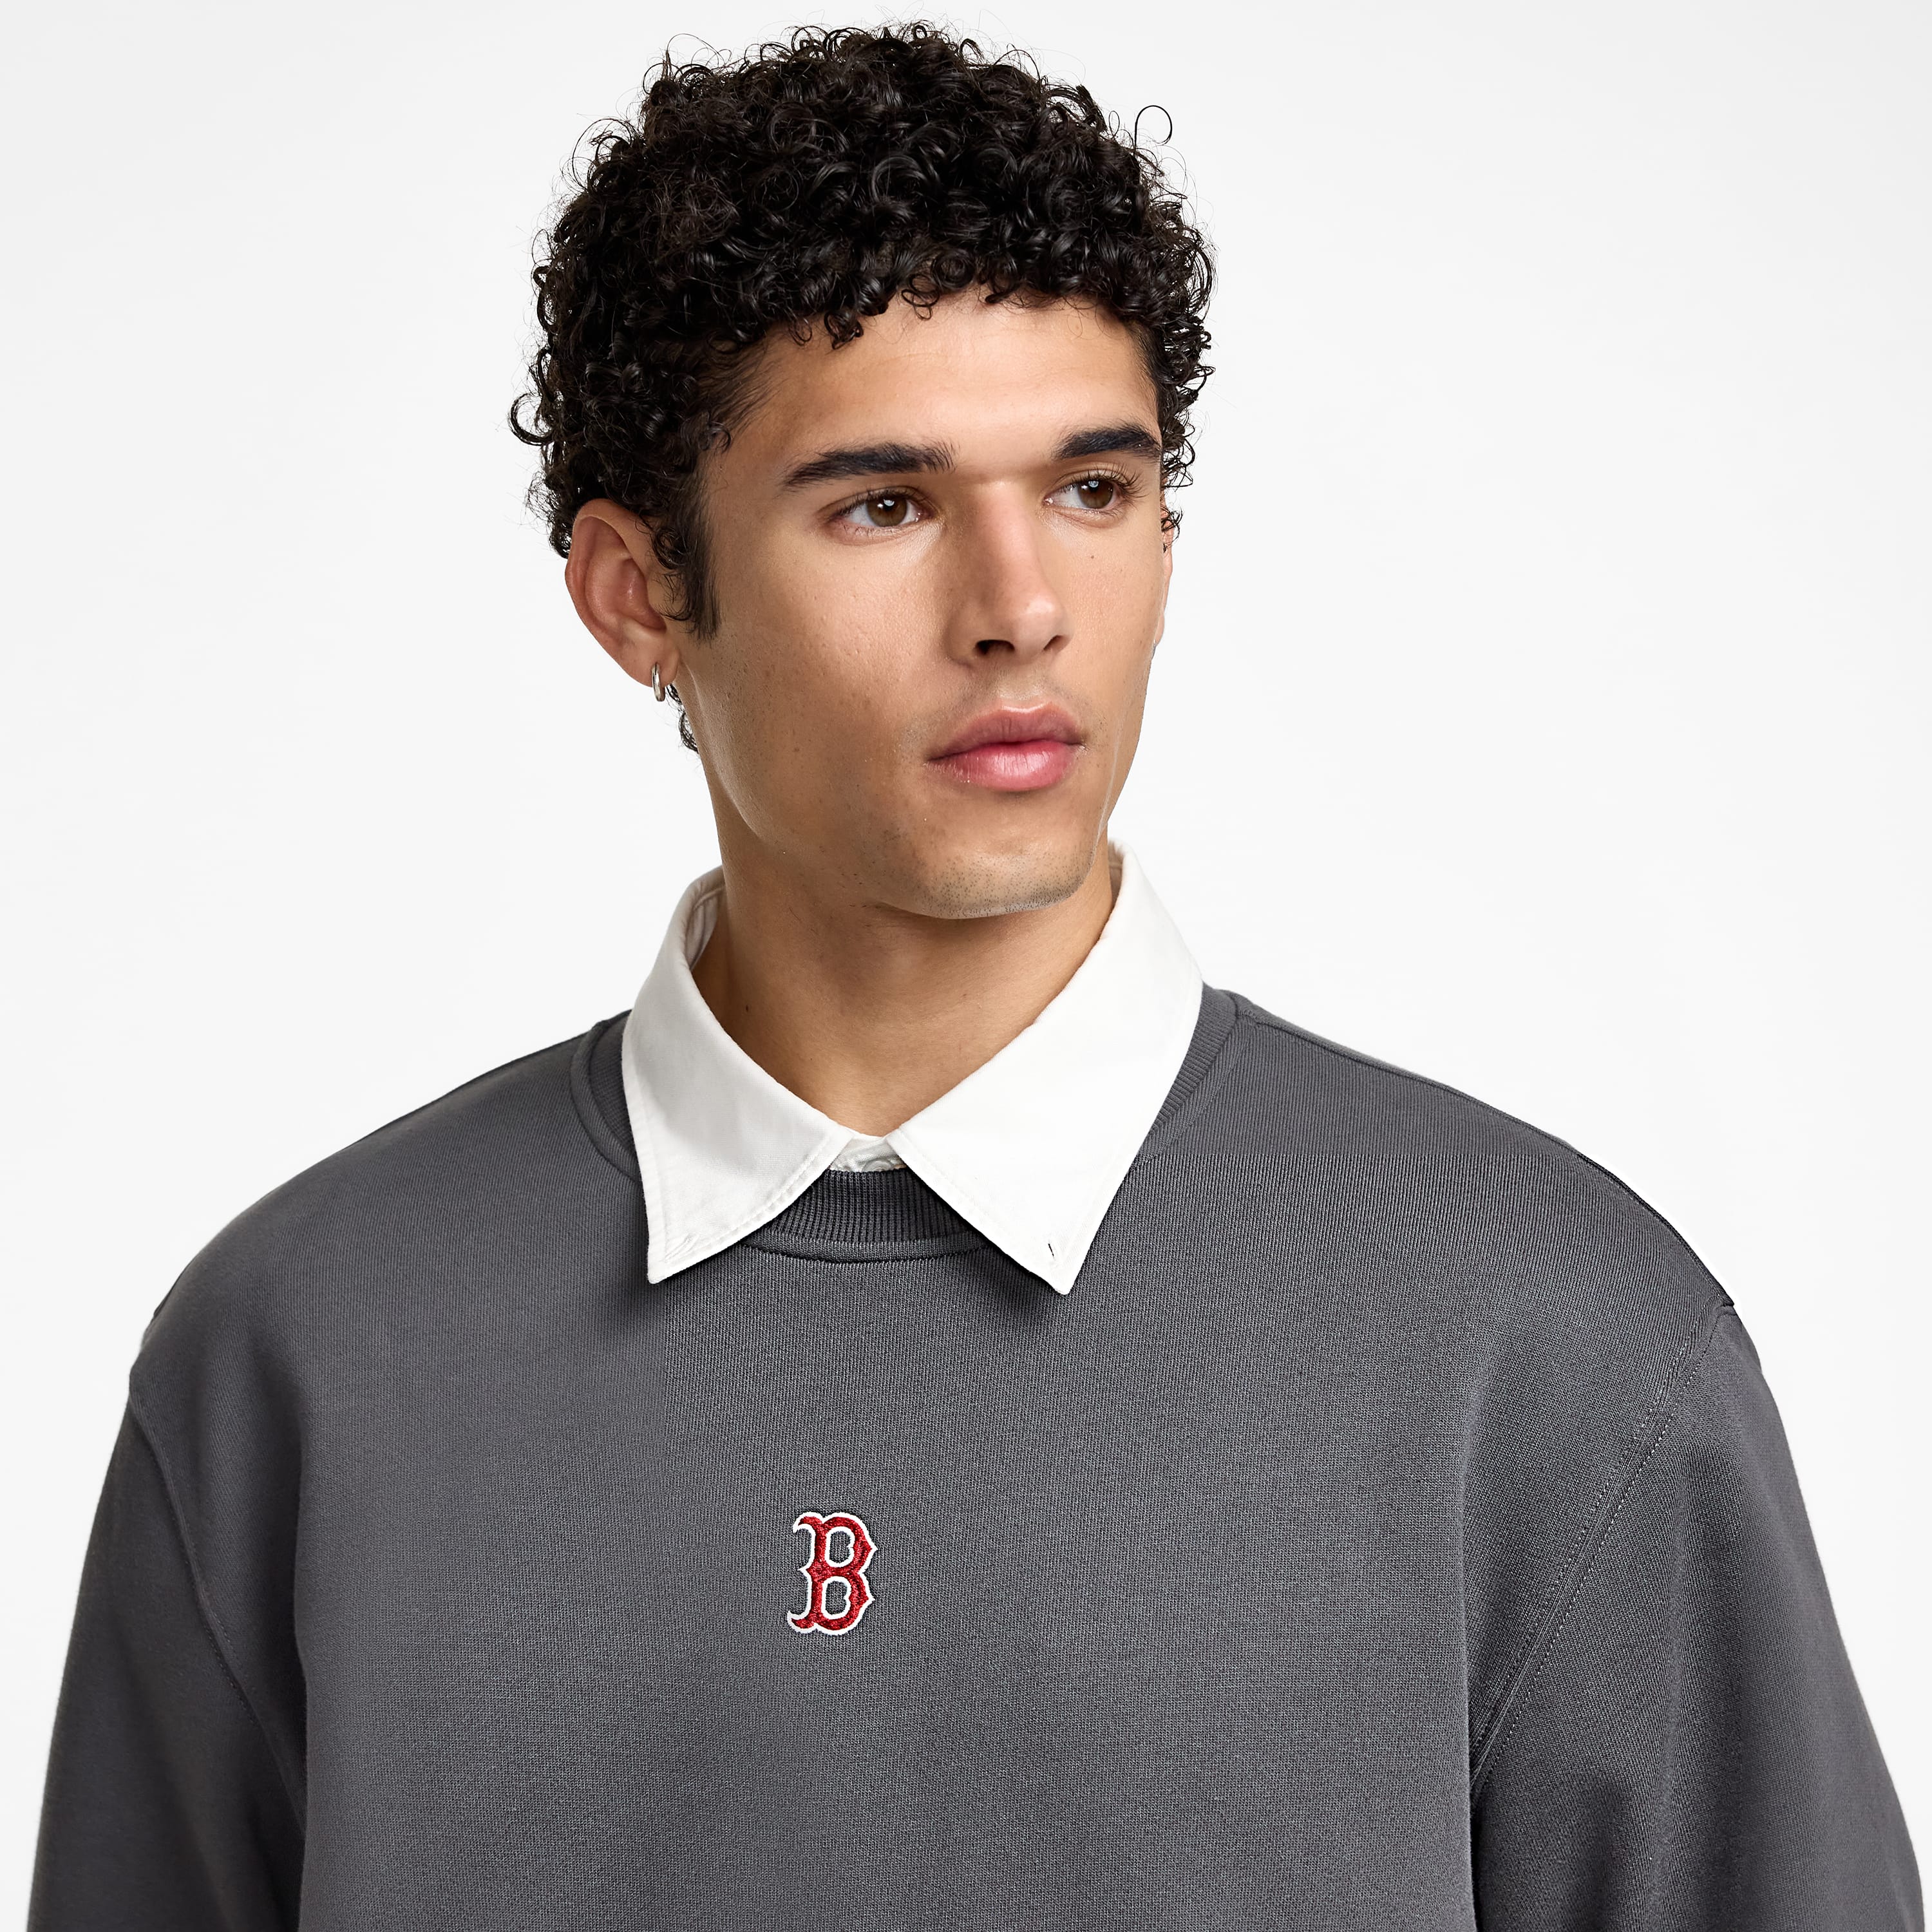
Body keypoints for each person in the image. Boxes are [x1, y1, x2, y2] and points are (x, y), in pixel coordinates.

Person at [28, 23, 1920, 1930]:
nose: (1021, 608)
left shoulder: (1551, 1341)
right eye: (886, 505)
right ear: (638, 594)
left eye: (1094, 489)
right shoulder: (300, 1351)